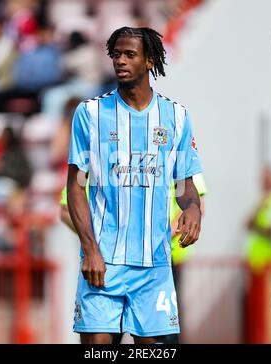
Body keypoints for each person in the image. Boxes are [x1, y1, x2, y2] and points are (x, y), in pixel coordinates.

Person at [67, 26, 203, 344]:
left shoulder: (177, 117)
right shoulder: (90, 114)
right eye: (116, 54)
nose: (120, 61)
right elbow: (75, 186)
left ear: (150, 60)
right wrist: (89, 250)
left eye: (130, 54)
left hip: (154, 265)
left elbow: (184, 183)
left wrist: (194, 208)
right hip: (103, 262)